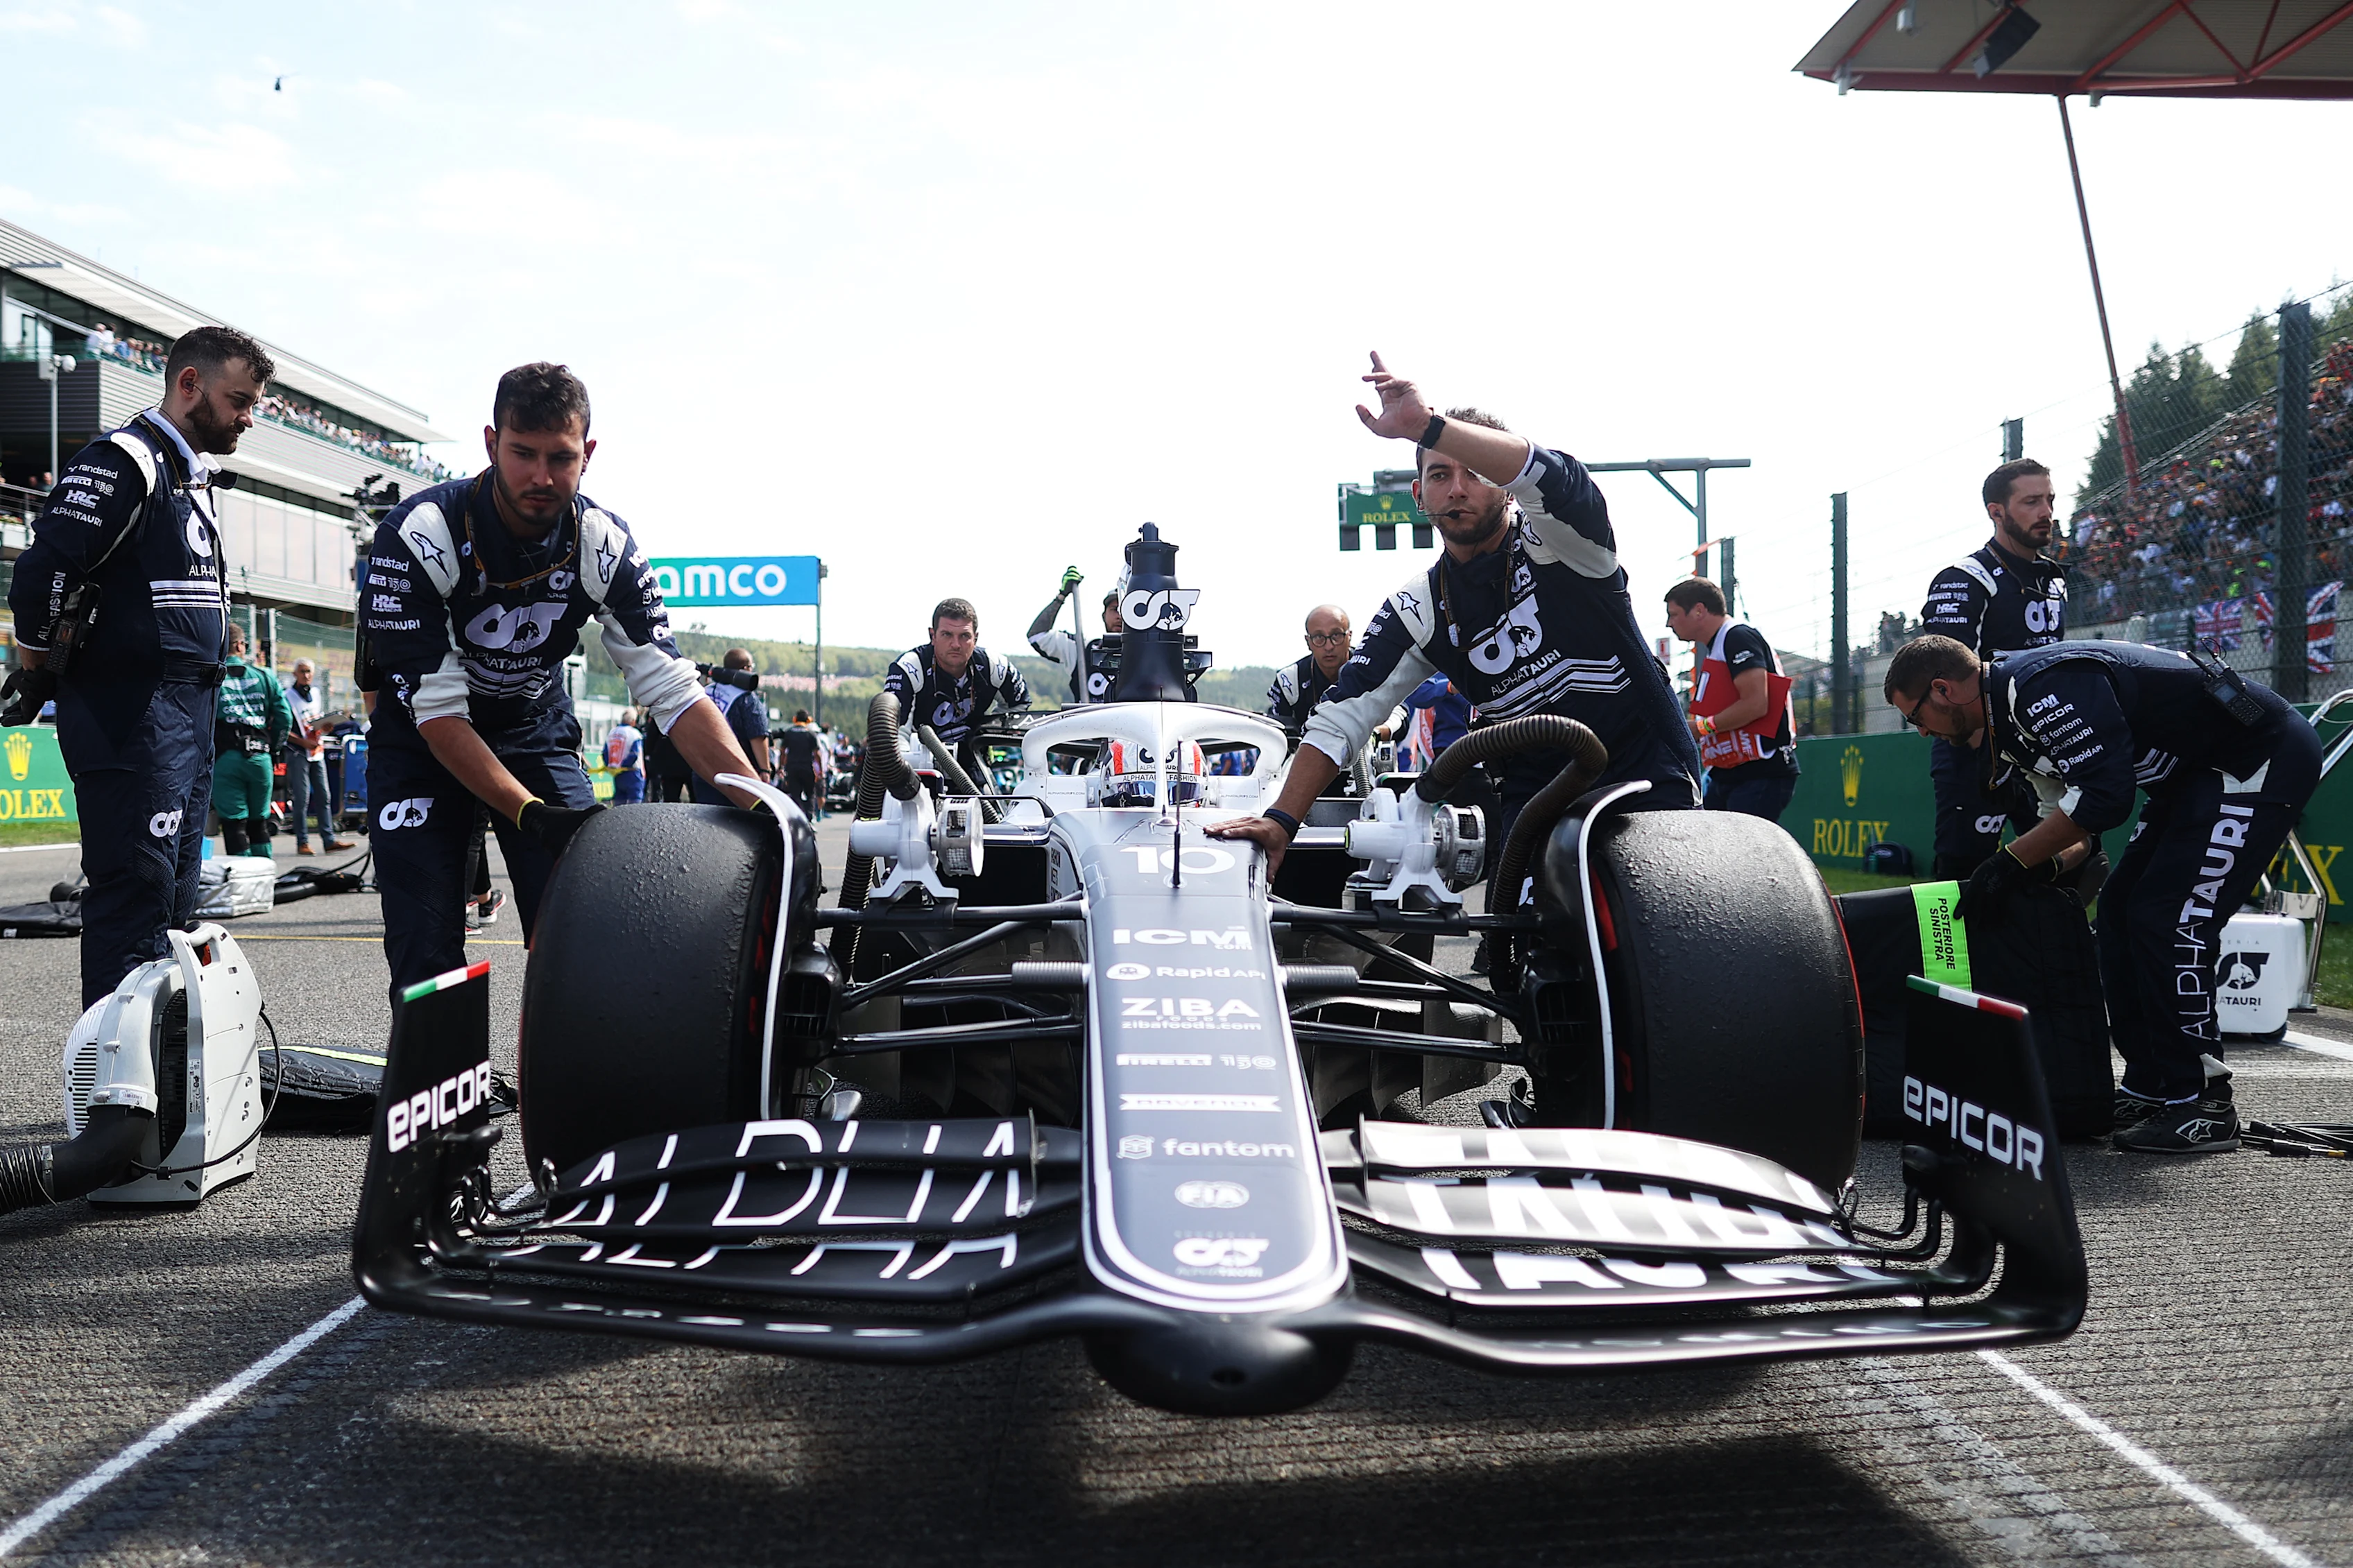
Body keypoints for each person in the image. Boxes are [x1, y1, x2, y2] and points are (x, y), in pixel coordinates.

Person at [1212, 353, 1701, 881]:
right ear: (1420, 495)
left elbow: (1558, 480)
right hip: (1537, 807)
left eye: (1477, 472)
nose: (1458, 488)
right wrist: (1281, 822)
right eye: (1440, 475)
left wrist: (1428, 427)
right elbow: (1343, 715)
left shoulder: (1562, 545)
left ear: (1506, 484)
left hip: (1646, 780)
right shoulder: (1419, 605)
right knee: (1530, 956)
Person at [360, 362, 760, 1003]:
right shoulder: (418, 535)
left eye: (560, 457)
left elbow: (677, 693)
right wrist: (527, 813)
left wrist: (761, 799)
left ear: (588, 454)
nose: (541, 477)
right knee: (426, 940)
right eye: (522, 453)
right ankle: (440, 1096)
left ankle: (576, 1087)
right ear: (491, 444)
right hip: (421, 744)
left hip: (532, 728)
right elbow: (437, 715)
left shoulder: (604, 543)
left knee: (583, 926)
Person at [1884, 634, 2321, 1154]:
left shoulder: (2038, 686)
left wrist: (2010, 860)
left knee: (2170, 919)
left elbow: (2105, 799)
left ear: (1942, 689)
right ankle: (2151, 1086)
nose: (1920, 733)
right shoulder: (2011, 725)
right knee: (2117, 911)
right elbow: (2075, 835)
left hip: (2255, 761)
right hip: (2192, 778)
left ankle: (2204, 1101)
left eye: (1915, 717)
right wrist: (2018, 874)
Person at [2, 326, 271, 1006]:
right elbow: (40, 575)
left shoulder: (192, 474)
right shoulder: (127, 460)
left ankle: (159, 1078)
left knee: (174, 907)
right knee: (135, 901)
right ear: (189, 384)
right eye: (239, 401)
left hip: (188, 714)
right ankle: (115, 1097)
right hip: (133, 717)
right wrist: (39, 667)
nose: (246, 417)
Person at [1918, 458, 2070, 877]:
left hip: (2044, 749)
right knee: (1963, 878)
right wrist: (1982, 748)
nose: (2046, 513)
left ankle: (2044, 945)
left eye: (2050, 500)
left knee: (2072, 865)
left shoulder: (2054, 581)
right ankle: (1947, 947)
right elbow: (1943, 678)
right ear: (1996, 511)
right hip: (1979, 753)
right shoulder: (1966, 578)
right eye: (2032, 501)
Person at [1662, 577, 1799, 822]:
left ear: (1699, 611)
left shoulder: (1737, 637)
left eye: (1673, 614)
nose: (1669, 623)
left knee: (1743, 858)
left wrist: (1701, 728)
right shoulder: (1720, 644)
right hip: (1731, 774)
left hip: (1760, 773)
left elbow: (1756, 704)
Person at [884, 597, 1031, 779]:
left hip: (972, 763)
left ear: (975, 638)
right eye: (947, 635)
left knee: (990, 805)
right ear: (933, 636)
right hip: (921, 765)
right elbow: (894, 734)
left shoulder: (994, 665)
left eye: (964, 636)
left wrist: (987, 732)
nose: (956, 644)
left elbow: (1020, 703)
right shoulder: (909, 667)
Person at [212, 623, 291, 856]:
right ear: (239, 645)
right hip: (261, 757)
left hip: (225, 757)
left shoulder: (213, 675)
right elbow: (284, 718)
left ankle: (242, 885)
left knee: (233, 823)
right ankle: (264, 880)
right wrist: (274, 749)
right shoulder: (265, 676)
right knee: (260, 821)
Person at [281, 658, 350, 852]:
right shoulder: (287, 696)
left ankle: (329, 840)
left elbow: (316, 722)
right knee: (302, 798)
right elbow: (281, 727)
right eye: (302, 671)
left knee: (324, 796)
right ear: (295, 674)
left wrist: (326, 727)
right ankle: (302, 842)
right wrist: (302, 742)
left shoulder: (317, 693)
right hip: (298, 752)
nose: (306, 675)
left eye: (309, 671)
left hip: (317, 751)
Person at [1027, 569, 1121, 703]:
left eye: (1125, 609)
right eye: (1114, 609)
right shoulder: (1083, 649)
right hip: (1087, 723)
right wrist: (1062, 596)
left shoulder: (1150, 654)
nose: (1120, 616)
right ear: (1104, 616)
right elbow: (1037, 636)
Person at [690, 648, 771, 803]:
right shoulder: (747, 698)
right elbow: (758, 735)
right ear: (747, 669)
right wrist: (764, 770)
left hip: (703, 770)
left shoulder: (704, 693)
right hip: (737, 772)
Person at [1266, 605, 1353, 732]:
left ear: (1349, 637)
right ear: (1308, 642)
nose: (1329, 646)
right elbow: (1276, 735)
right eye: (1319, 637)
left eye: (1336, 635)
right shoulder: (1290, 680)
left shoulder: (1371, 668)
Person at [777, 708, 825, 818]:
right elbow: (817, 754)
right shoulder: (811, 734)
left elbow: (783, 752)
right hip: (807, 767)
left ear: (795, 719)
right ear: (808, 720)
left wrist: (781, 767)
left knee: (795, 795)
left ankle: (798, 817)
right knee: (810, 794)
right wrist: (820, 770)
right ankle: (809, 818)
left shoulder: (789, 733)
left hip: (792, 768)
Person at [603, 708, 644, 804]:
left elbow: (605, 753)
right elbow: (634, 754)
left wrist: (613, 767)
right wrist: (624, 765)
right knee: (635, 803)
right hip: (633, 772)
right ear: (633, 721)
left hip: (617, 772)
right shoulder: (635, 734)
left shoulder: (612, 733)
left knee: (619, 802)